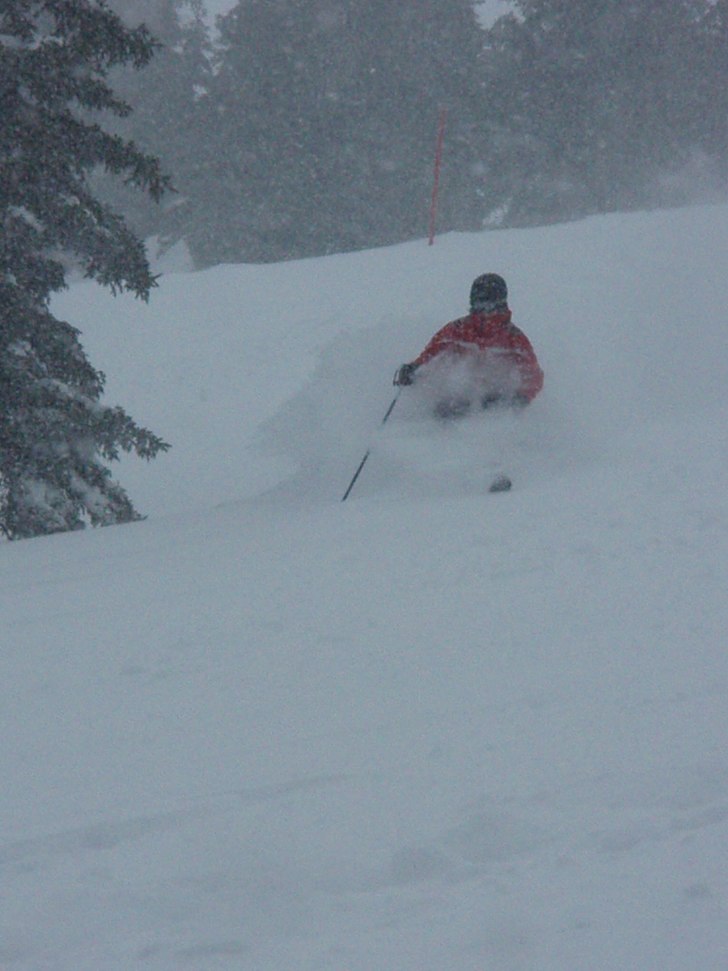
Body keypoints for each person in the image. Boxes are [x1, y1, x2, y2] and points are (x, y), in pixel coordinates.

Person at [394, 273, 543, 419]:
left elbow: (533, 375)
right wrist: (414, 367)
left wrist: (521, 398)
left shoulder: (514, 338)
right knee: (442, 415)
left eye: (490, 306)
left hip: (496, 398)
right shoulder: (458, 329)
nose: (485, 312)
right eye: (479, 305)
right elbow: (432, 352)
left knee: (489, 420)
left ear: (501, 304)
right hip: (461, 397)